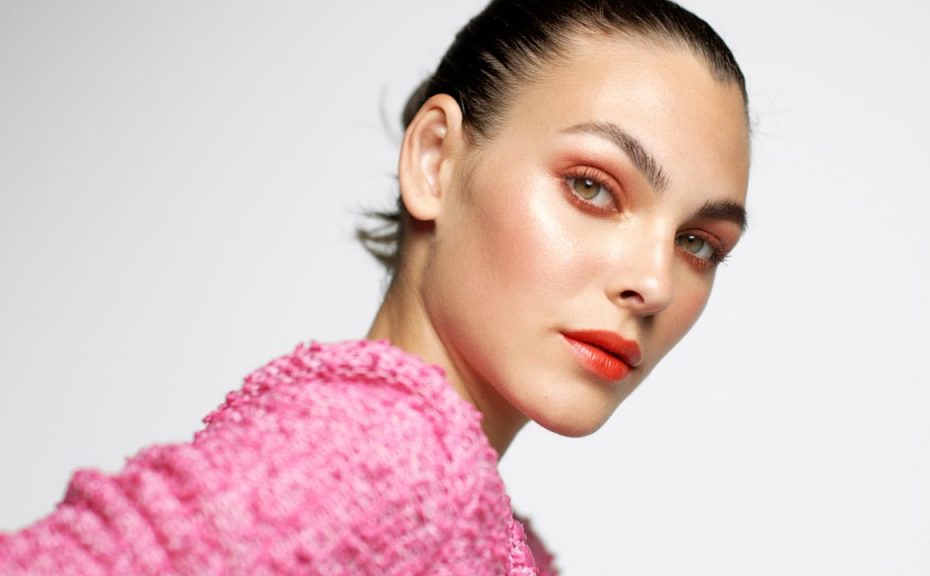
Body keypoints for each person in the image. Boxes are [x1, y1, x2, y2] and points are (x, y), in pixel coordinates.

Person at [0, 0, 749, 574]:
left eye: (698, 243)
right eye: (591, 187)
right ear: (434, 161)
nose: (653, 283)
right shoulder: (380, 463)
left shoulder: (458, 508)